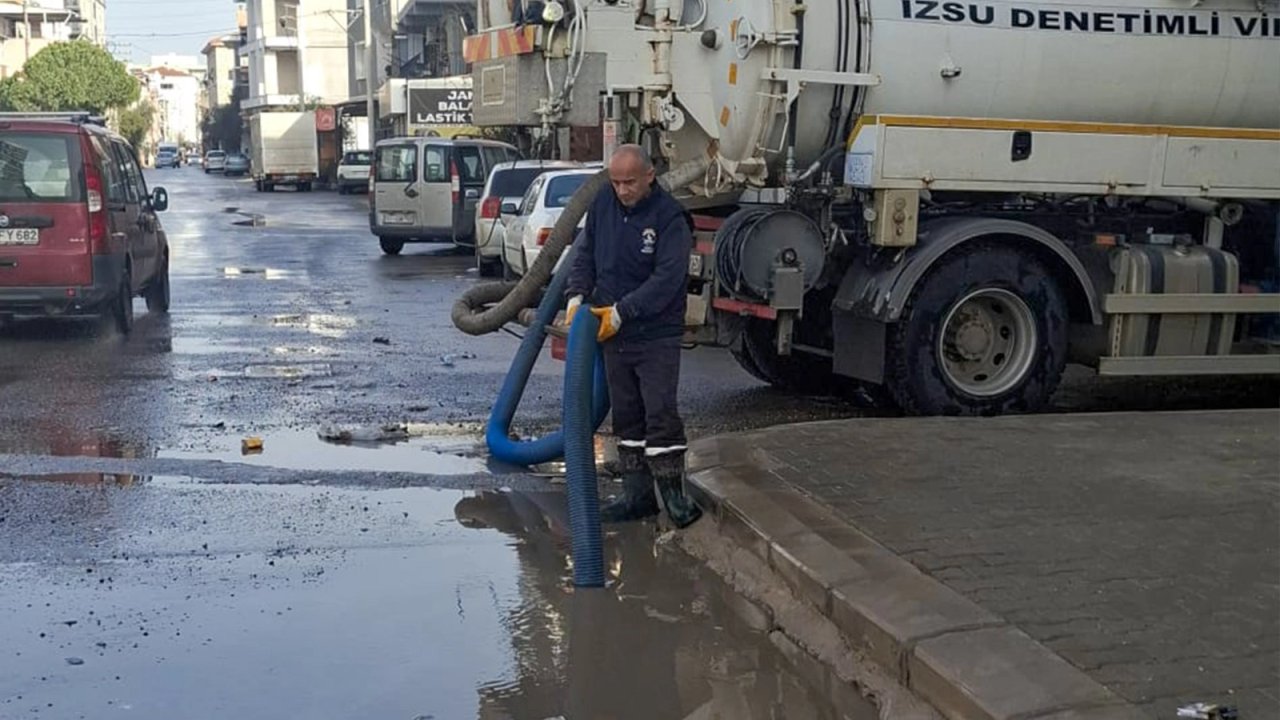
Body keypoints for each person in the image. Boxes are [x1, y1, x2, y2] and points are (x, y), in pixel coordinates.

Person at [563, 144, 701, 528]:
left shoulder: (669, 218)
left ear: (649, 176)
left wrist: (624, 310)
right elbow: (585, 254)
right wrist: (576, 295)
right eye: (617, 182)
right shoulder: (603, 206)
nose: (623, 190)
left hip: (655, 333)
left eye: (630, 183)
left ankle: (674, 498)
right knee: (626, 414)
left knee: (660, 412)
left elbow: (668, 278)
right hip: (613, 331)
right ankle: (637, 497)